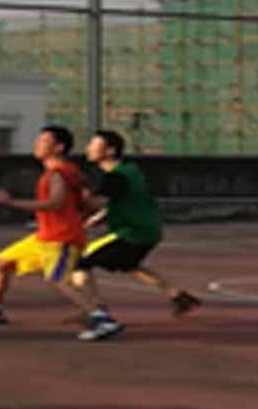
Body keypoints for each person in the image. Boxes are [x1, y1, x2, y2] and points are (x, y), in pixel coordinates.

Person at [0, 125, 122, 341]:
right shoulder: (69, 171)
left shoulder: (58, 173)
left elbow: (55, 203)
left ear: (59, 147)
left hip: (60, 237)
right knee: (0, 263)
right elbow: (87, 200)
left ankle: (101, 319)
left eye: (44, 141)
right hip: (46, 236)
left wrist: (13, 203)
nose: (37, 145)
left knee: (59, 280)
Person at [75, 130, 199, 316]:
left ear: (110, 151)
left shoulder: (115, 177)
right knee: (129, 264)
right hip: (149, 230)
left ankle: (96, 311)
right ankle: (178, 295)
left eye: (94, 145)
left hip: (131, 232)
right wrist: (98, 217)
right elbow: (123, 200)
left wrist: (79, 193)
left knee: (79, 263)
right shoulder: (131, 171)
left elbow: (96, 202)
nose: (88, 148)